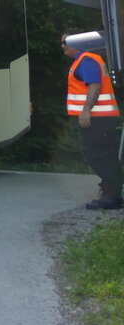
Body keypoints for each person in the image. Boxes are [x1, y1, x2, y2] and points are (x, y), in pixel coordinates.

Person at [62, 31, 123, 210]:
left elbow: (94, 85)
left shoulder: (86, 60)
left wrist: (86, 110)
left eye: (66, 42)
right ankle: (113, 194)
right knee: (103, 156)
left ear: (79, 42)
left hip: (98, 119)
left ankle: (111, 198)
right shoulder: (87, 59)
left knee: (101, 157)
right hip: (102, 119)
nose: (63, 46)